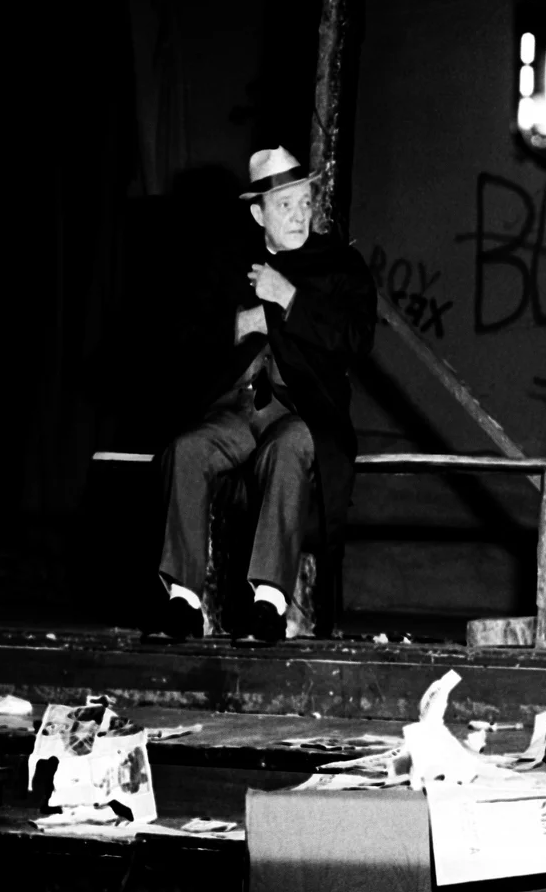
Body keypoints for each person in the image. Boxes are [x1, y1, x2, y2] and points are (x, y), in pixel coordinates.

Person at [146, 147, 376, 646]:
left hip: (300, 410)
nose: (299, 215)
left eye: (305, 202)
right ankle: (182, 601)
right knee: (187, 450)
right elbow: (175, 338)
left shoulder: (341, 264)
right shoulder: (224, 263)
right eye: (285, 205)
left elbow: (357, 338)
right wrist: (242, 323)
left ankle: (268, 604)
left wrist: (287, 297)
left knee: (288, 449)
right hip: (233, 410)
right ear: (258, 214)